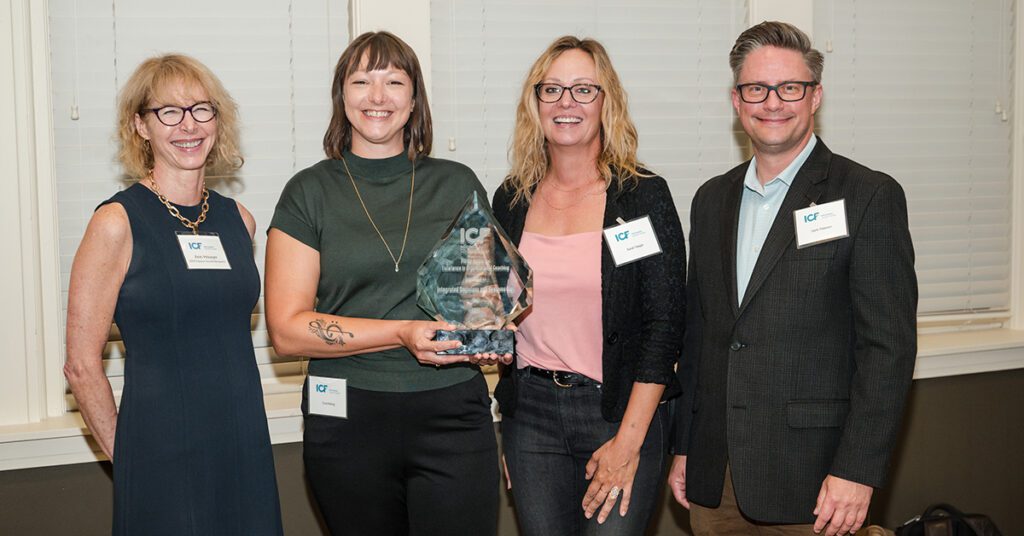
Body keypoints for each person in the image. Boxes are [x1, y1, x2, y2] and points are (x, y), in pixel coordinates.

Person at [668, 21, 918, 536]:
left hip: (817, 480)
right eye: (756, 88)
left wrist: (857, 471)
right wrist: (687, 445)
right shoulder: (710, 200)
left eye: (791, 88)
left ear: (815, 96)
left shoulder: (867, 195)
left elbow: (887, 348)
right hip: (717, 481)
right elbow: (702, 336)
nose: (773, 102)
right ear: (736, 100)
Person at [265, 31, 501, 535]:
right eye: (361, 81)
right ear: (341, 95)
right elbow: (286, 331)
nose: (377, 97)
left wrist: (490, 336)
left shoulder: (457, 183)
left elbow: (483, 306)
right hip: (346, 413)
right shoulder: (308, 193)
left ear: (414, 99)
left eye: (394, 81)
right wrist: (400, 333)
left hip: (452, 412)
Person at [63, 54, 283, 535]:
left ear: (218, 121)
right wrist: (133, 459)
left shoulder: (239, 220)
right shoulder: (116, 223)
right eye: (168, 112)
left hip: (243, 441)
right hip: (159, 452)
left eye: (201, 109)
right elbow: (80, 365)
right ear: (140, 125)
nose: (188, 125)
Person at [491, 36, 686, 535]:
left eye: (583, 89)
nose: (566, 103)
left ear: (607, 101)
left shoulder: (641, 197)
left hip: (618, 411)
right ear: (534, 104)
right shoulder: (512, 199)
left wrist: (629, 442)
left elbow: (664, 327)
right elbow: (495, 315)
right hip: (530, 416)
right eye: (551, 89)